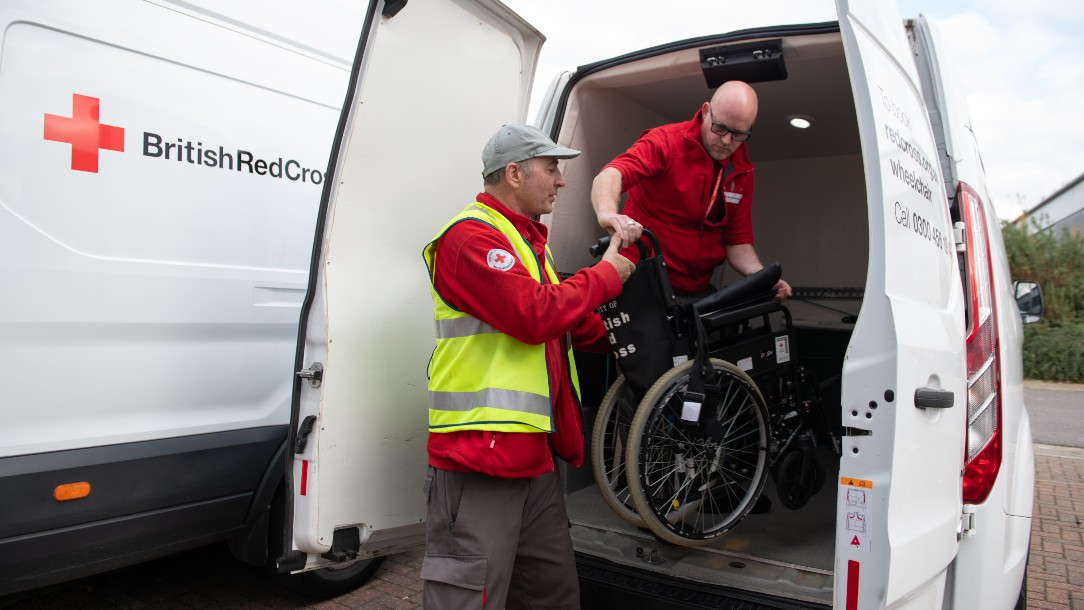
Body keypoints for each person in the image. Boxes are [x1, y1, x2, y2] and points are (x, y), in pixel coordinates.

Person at [420, 124, 635, 609]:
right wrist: (604, 278)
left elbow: (566, 322)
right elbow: (534, 314)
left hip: (532, 458)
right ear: (514, 173)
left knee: (550, 593)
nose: (561, 181)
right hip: (478, 459)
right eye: (552, 168)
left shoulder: (530, 244)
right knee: (468, 596)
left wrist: (631, 338)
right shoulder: (470, 239)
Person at [591, 80, 792, 302]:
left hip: (694, 292)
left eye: (738, 134)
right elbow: (612, 174)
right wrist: (607, 213)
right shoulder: (665, 142)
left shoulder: (742, 172)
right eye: (720, 127)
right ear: (706, 111)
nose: (726, 141)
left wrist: (761, 277)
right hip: (639, 278)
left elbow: (737, 243)